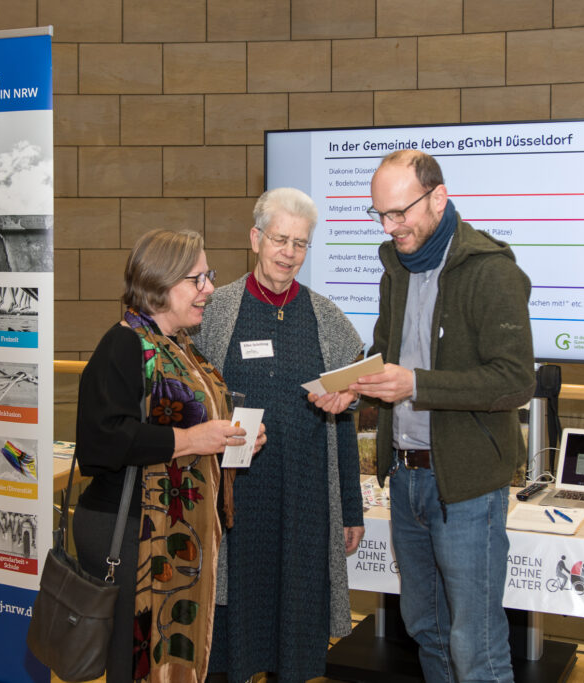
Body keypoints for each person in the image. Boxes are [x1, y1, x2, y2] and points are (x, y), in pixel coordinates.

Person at [317, 150, 536, 682]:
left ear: (438, 197)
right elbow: (383, 351)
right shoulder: (395, 268)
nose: (391, 227)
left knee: (475, 644)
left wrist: (417, 384)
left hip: (465, 487)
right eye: (380, 215)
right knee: (426, 630)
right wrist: (353, 390)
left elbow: (515, 381)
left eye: (400, 212)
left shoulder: (492, 271)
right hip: (407, 479)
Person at [72, 229, 266, 682]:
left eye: (209, 277)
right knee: (133, 661)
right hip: (129, 531)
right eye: (198, 279)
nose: (210, 290)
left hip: (169, 532)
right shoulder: (123, 345)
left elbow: (192, 423)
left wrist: (231, 440)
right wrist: (194, 440)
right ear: (161, 284)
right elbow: (102, 445)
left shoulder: (178, 346)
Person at [194, 188, 365, 683]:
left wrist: (349, 509)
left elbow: (346, 420)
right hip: (235, 504)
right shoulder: (216, 313)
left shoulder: (329, 320)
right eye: (280, 240)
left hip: (307, 506)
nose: (289, 253)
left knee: (295, 631)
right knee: (232, 629)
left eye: (300, 244)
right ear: (255, 239)